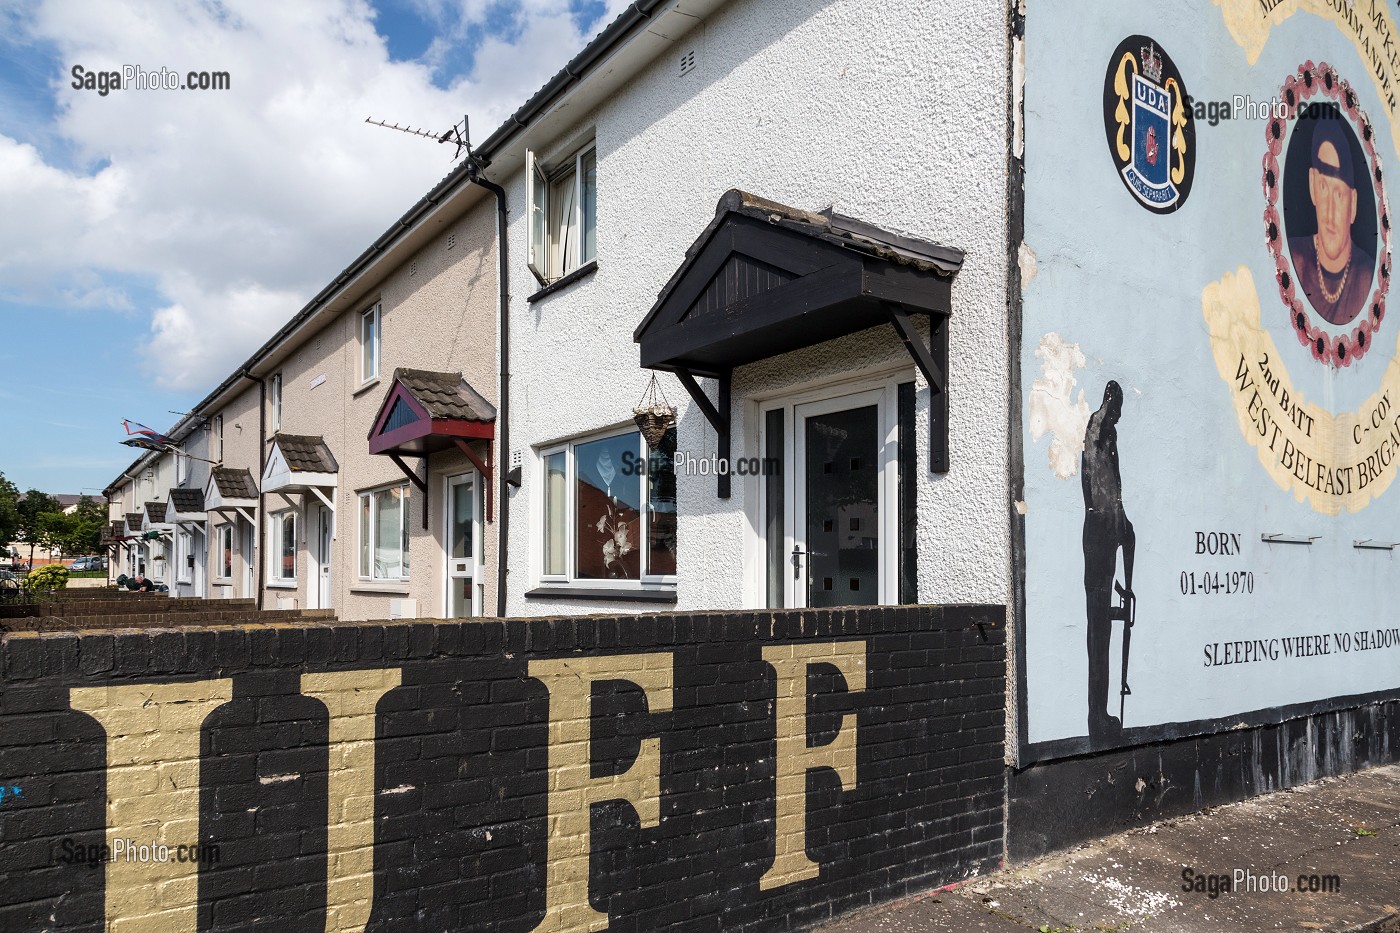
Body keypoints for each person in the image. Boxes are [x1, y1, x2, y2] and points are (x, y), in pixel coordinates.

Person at [1082, 381, 1135, 745]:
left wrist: (1123, 523)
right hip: (1098, 534)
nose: (1116, 417)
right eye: (1114, 410)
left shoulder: (1108, 434)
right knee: (1098, 632)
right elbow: (1100, 485)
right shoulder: (1099, 429)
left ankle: (1100, 714)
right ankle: (1096, 715)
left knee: (1103, 632)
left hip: (1107, 529)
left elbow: (1114, 490)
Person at [1288, 118, 1375, 326]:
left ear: (1352, 204)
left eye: (1339, 195)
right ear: (1312, 186)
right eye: (1324, 188)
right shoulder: (1294, 259)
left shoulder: (1366, 278)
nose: (1330, 210)